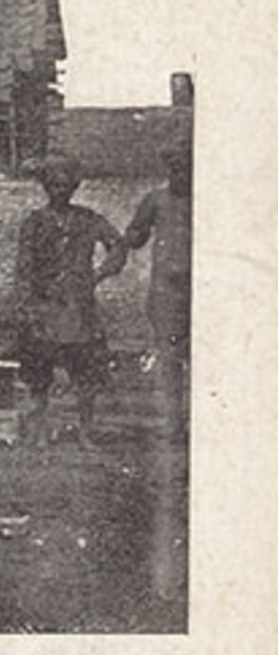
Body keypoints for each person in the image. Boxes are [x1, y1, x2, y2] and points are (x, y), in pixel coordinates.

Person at [14, 156, 129, 448]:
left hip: (79, 309)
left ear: (74, 187)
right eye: (54, 185)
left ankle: (85, 432)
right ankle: (40, 429)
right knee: (39, 373)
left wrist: (98, 274)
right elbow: (24, 268)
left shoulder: (88, 219)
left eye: (66, 185)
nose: (60, 190)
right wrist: (26, 305)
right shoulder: (34, 222)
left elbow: (118, 245)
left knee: (86, 373)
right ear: (46, 187)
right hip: (45, 306)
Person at [123, 142, 192, 442]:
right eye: (174, 168)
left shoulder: (212, 200)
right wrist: (130, 236)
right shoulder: (156, 200)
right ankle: (175, 425)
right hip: (166, 292)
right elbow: (135, 234)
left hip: (204, 291)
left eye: (186, 167)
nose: (180, 174)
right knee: (170, 358)